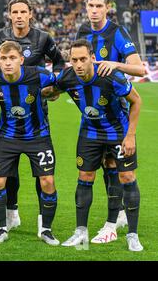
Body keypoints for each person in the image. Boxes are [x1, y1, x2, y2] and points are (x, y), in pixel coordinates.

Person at [43, 39, 143, 252]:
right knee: (85, 177)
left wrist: (131, 136)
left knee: (127, 177)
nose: (78, 64)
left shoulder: (111, 76)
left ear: (93, 58)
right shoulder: (68, 77)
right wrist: (45, 93)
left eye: (82, 59)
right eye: (74, 60)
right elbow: (52, 90)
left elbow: (136, 101)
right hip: (89, 134)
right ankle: (81, 232)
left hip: (118, 133)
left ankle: (132, 235)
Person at [75, 0, 146, 243]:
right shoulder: (82, 32)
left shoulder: (116, 33)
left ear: (107, 8)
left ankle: (116, 219)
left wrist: (116, 64)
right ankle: (116, 217)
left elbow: (139, 69)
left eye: (98, 6)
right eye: (90, 6)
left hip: (116, 113)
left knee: (117, 169)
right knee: (106, 168)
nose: (94, 11)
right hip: (93, 116)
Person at [0, 0, 66, 235]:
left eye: (23, 11)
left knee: (41, 171)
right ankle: (11, 213)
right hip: (10, 110)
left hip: (36, 107)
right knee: (9, 169)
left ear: (30, 13)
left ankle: (41, 219)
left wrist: (51, 90)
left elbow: (59, 63)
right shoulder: (1, 37)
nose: (19, 16)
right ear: (10, 14)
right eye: (15, 12)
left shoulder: (43, 38)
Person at [0, 40, 59, 246]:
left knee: (48, 181)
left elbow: (62, 83)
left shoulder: (39, 74)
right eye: (4, 59)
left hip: (38, 136)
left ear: (21, 60)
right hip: (7, 137)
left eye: (12, 58)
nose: (8, 63)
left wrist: (52, 93)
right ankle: (1, 228)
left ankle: (46, 229)